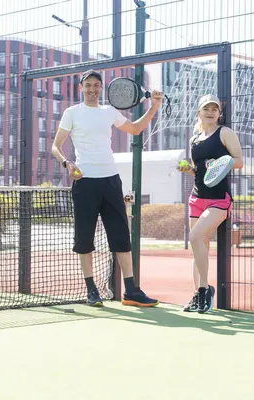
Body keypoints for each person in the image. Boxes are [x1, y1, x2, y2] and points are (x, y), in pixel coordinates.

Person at [51, 69, 163, 307]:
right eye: (88, 85)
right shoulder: (72, 113)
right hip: (84, 182)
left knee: (121, 238)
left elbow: (134, 129)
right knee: (84, 239)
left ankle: (131, 291)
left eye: (96, 85)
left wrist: (153, 107)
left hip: (111, 181)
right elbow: (55, 146)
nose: (92, 89)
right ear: (81, 88)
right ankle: (92, 290)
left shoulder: (109, 112)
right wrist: (66, 164)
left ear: (101, 88)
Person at [177, 94, 244, 314]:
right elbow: (200, 170)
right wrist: (188, 169)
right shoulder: (194, 139)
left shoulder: (225, 133)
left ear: (219, 114)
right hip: (196, 198)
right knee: (199, 247)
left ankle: (205, 290)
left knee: (195, 237)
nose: (211, 112)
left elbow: (239, 161)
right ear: (199, 112)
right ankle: (198, 294)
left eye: (215, 109)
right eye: (207, 108)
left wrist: (222, 162)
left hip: (218, 199)